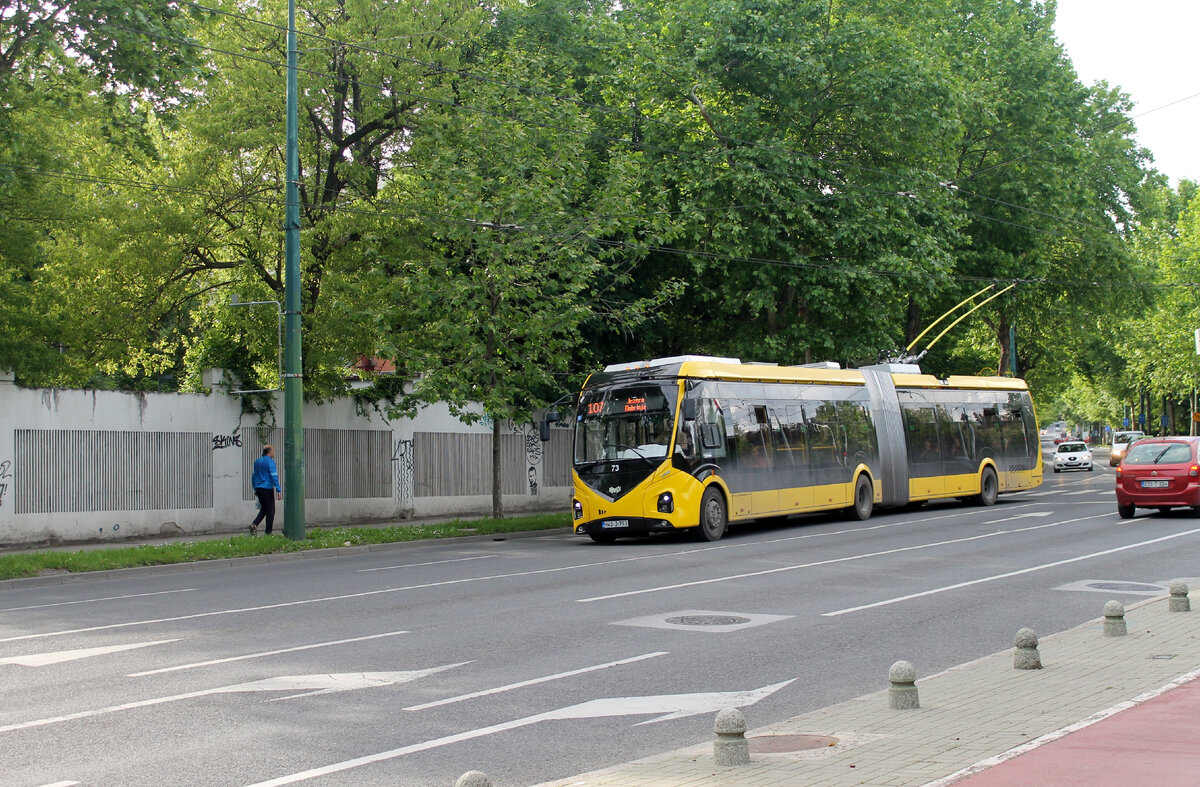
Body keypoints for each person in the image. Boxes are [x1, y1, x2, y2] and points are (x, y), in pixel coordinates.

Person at [251, 444, 282, 535]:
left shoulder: (257, 462)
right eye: (273, 451)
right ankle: (268, 531)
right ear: (269, 452)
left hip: (259, 488)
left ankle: (254, 524)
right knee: (271, 510)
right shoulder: (270, 461)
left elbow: (253, 476)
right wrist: (278, 490)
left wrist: (255, 488)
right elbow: (274, 475)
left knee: (264, 508)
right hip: (267, 487)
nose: (273, 453)